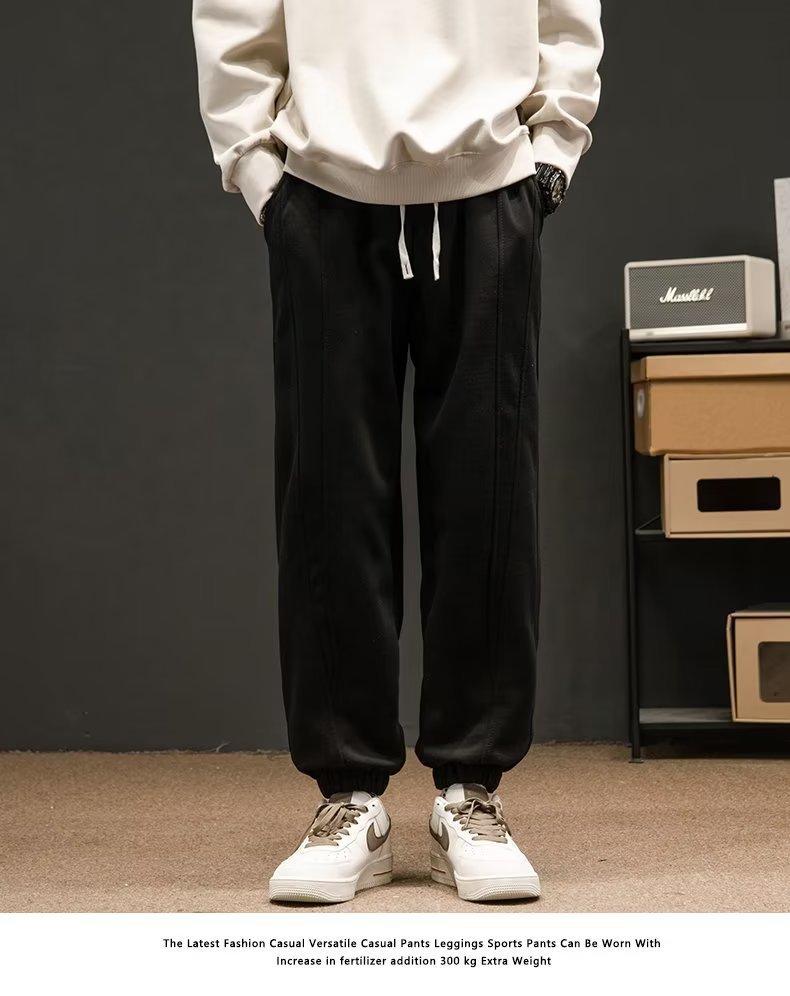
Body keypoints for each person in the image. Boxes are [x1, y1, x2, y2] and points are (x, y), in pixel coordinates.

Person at [193, 0, 603, 904]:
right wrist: (260, 175)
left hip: (492, 185)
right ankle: (349, 798)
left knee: (489, 497)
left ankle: (471, 793)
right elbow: (233, 19)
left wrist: (551, 157)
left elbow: (566, 17)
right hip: (324, 191)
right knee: (329, 498)